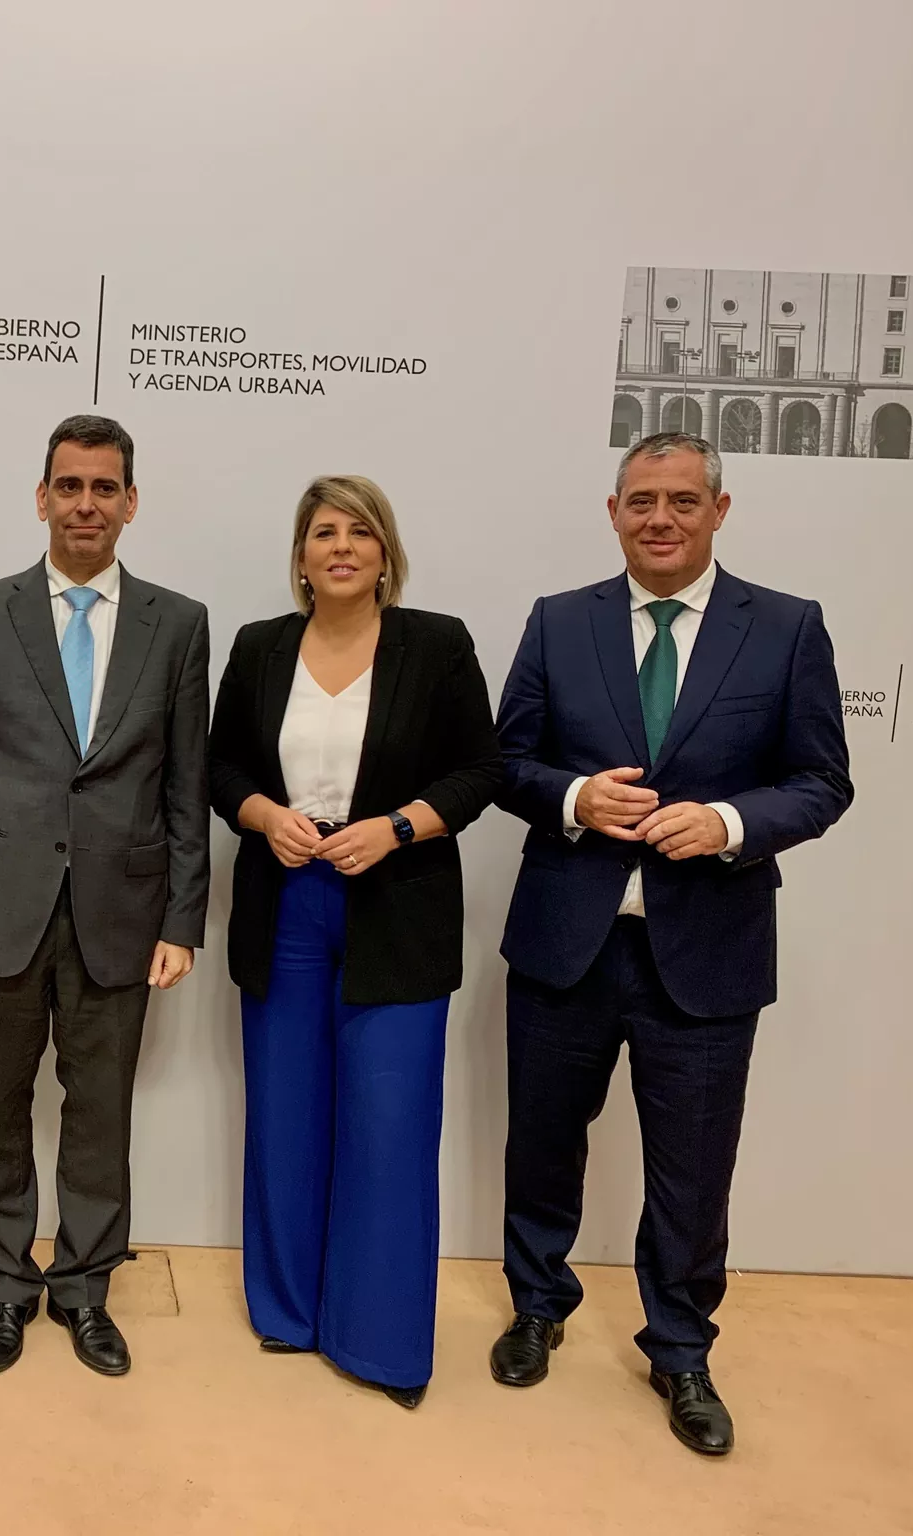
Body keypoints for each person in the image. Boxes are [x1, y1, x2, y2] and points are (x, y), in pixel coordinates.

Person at [490, 431, 852, 1455]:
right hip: (568, 940)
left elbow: (821, 781)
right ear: (613, 513)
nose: (660, 519)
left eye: (682, 501)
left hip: (707, 951)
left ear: (717, 511)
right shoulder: (559, 621)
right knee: (542, 1142)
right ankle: (536, 1306)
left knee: (693, 1170)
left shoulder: (784, 627)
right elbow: (504, 762)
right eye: (641, 501)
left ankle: (681, 1349)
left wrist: (728, 824)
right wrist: (573, 798)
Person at [0, 414, 210, 1378]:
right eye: (69, 486)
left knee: (100, 1113)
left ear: (131, 502)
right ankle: (5, 1284)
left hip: (121, 913)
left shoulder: (178, 623)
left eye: (104, 487)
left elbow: (187, 786)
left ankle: (84, 1289)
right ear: (42, 498)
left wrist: (183, 918)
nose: (87, 504)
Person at [207, 475, 501, 1409]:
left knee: (389, 1127)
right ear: (300, 557)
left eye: (360, 532)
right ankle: (289, 1312)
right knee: (285, 1116)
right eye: (324, 532)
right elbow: (219, 766)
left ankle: (377, 1342)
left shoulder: (437, 643)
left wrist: (400, 827)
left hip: (397, 907)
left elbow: (481, 769)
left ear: (385, 553)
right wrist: (264, 816)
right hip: (286, 904)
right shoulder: (260, 646)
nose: (341, 546)